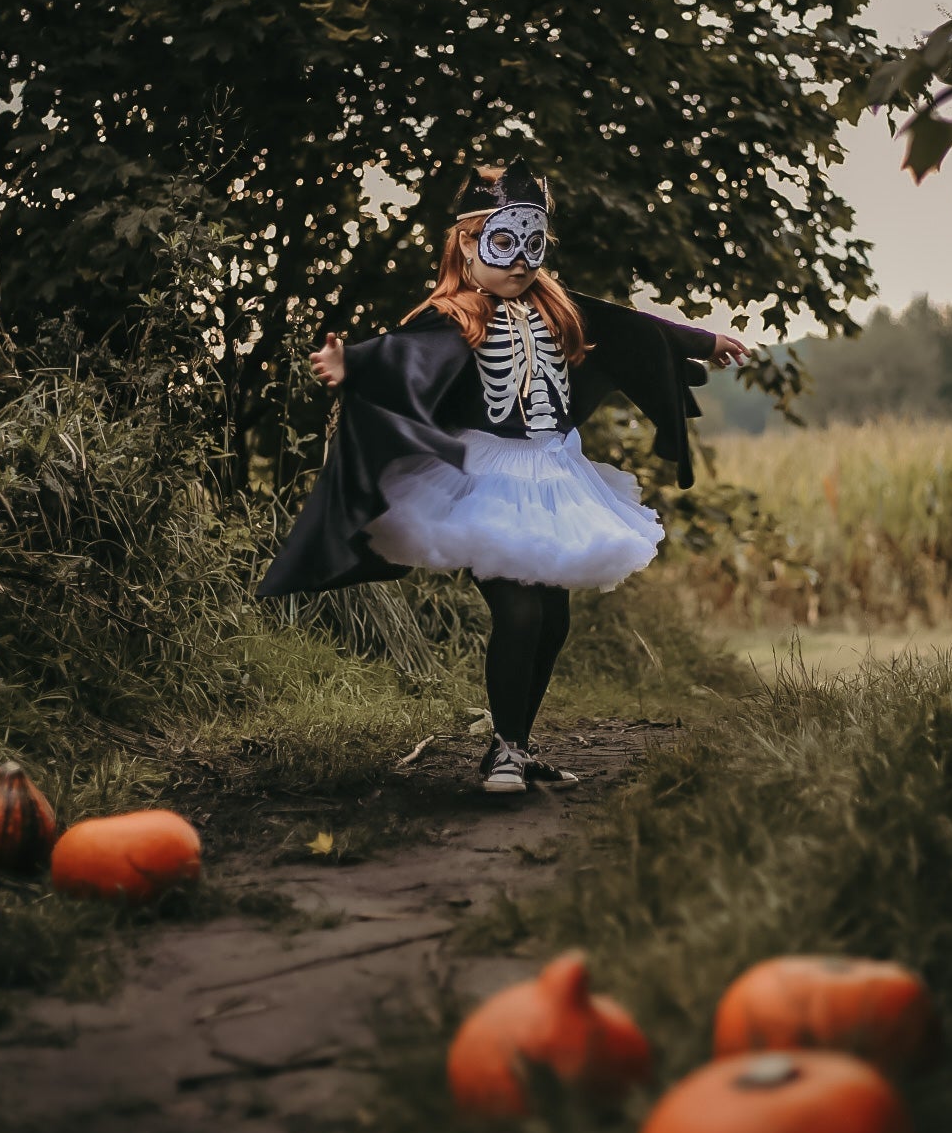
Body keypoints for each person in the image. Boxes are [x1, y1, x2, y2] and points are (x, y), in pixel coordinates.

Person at [256, 160, 748, 794]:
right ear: (466, 242)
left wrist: (704, 342)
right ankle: (507, 754)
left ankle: (512, 740)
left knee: (553, 620)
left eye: (533, 246)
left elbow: (633, 329)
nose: (520, 262)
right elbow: (400, 359)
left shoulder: (558, 308)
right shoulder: (450, 316)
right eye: (504, 243)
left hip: (554, 473)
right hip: (481, 479)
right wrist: (350, 363)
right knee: (517, 613)